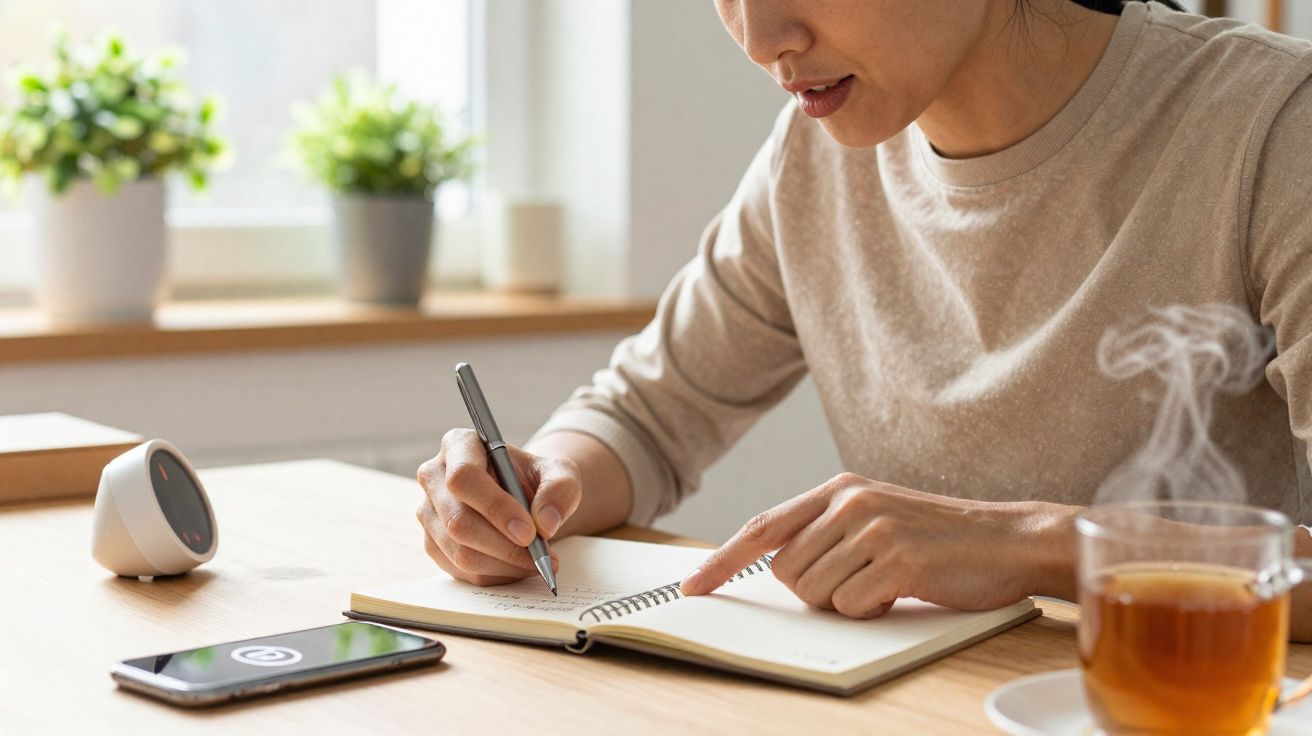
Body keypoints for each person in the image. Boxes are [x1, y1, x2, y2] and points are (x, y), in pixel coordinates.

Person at [416, 0, 1312, 640]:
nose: (763, 38)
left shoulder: (1272, 131)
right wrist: (530, 488)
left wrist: (1036, 545)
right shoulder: (814, 158)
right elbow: (645, 417)